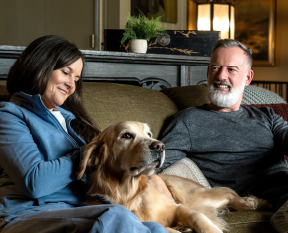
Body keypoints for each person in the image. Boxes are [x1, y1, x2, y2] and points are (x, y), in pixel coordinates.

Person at [159, 39, 288, 233]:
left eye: (231, 69)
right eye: (215, 68)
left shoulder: (265, 115)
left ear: (247, 77)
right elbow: (158, 164)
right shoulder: (189, 120)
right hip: (264, 199)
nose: (221, 75)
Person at [0, 35, 167, 233]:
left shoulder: (70, 119)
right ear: (39, 66)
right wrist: (88, 152)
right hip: (26, 215)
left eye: (76, 79)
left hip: (77, 211)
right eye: (65, 73)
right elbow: (34, 182)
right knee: (116, 216)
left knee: (155, 228)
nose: (71, 85)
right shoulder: (10, 115)